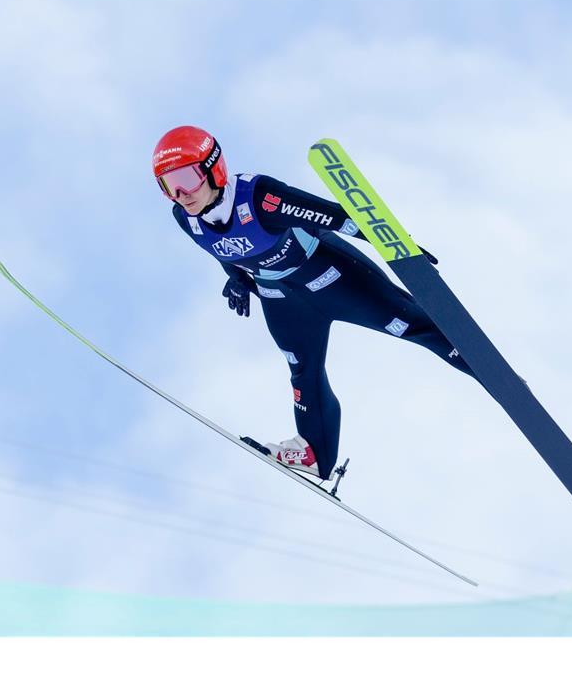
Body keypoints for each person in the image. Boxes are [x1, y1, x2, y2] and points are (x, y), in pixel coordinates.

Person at [153, 125, 479, 482]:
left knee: (408, 324)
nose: (181, 194)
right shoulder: (186, 219)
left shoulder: (258, 198)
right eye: (169, 185)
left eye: (187, 178)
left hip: (331, 276)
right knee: (303, 371)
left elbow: (336, 216)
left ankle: (484, 369)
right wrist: (237, 280)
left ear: (213, 168)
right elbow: (221, 250)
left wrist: (400, 248)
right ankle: (315, 454)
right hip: (283, 300)